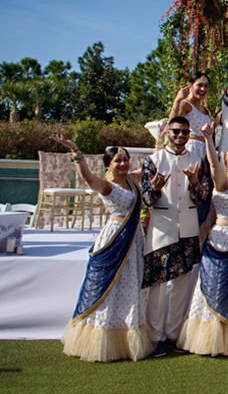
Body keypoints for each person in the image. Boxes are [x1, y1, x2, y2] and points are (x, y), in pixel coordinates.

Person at [51, 137, 152, 362]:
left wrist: (162, 137)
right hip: (115, 238)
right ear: (108, 165)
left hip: (134, 239)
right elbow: (87, 176)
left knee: (130, 286)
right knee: (107, 288)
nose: (123, 164)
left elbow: (150, 163)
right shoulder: (108, 186)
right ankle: (102, 338)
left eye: (126, 159)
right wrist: (75, 150)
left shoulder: (134, 180)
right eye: (118, 161)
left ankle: (127, 337)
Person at [177, 123, 228, 356]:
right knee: (212, 285)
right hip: (219, 238)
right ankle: (206, 338)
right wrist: (208, 138)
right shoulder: (223, 182)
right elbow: (212, 164)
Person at [141, 116, 212, 356]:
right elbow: (146, 200)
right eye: (176, 131)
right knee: (158, 287)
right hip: (161, 230)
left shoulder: (197, 161)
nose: (180, 136)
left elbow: (202, 197)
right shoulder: (153, 161)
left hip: (189, 230)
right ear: (167, 132)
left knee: (182, 285)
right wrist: (156, 188)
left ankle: (173, 334)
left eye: (184, 132)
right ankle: (154, 337)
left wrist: (194, 183)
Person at [168, 72, 213, 159]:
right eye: (199, 85)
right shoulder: (185, 104)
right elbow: (172, 125)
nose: (203, 89)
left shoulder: (205, 109)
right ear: (190, 86)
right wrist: (177, 101)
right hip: (191, 148)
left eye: (206, 86)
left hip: (205, 150)